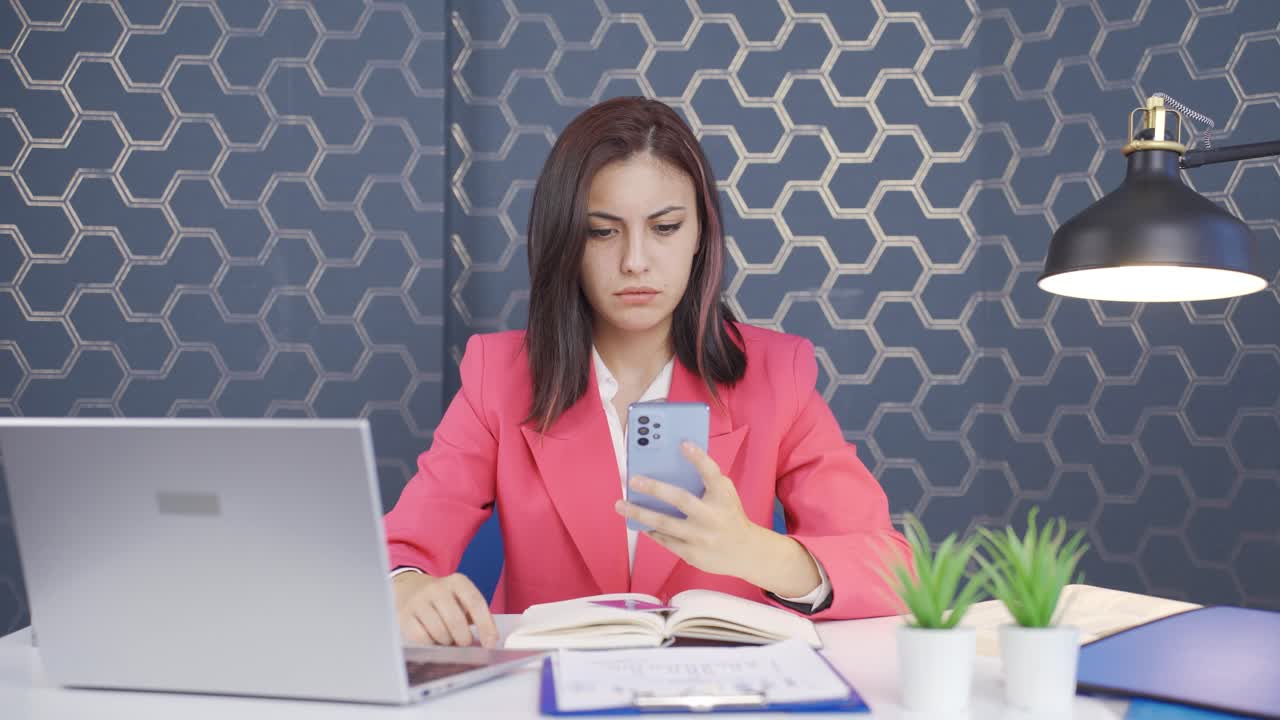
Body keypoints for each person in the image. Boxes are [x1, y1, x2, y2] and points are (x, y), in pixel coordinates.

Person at [383, 97, 909, 649]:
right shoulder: (498, 376)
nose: (635, 260)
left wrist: (754, 550)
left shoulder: (778, 373)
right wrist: (406, 588)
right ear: (567, 243)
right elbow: (402, 548)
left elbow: (892, 569)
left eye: (664, 227)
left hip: (721, 695)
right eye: (603, 232)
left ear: (700, 235)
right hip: (542, 691)